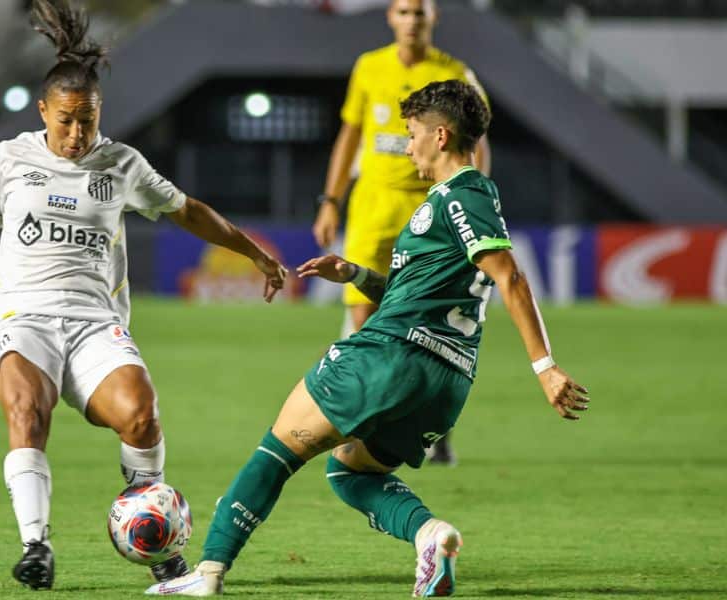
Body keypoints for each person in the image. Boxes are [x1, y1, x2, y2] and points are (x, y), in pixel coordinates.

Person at [0, 0, 287, 591]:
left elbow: (189, 212)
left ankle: (152, 533)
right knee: (28, 414)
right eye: (66, 121)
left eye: (89, 120)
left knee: (141, 415)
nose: (78, 134)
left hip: (93, 323)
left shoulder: (122, 165)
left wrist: (252, 251)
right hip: (24, 320)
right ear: (43, 112)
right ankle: (36, 545)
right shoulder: (9, 159)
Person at [147, 80, 589, 598]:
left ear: (441, 136)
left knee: (276, 452)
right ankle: (430, 535)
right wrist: (356, 274)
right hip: (444, 382)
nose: (407, 146)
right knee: (350, 473)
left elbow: (509, 276)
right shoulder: (453, 201)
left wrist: (545, 367)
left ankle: (208, 573)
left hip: (390, 355)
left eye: (412, 134)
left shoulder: (465, 194)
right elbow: (417, 291)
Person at [313, 0, 491, 465]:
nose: (412, 20)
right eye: (404, 11)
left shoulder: (454, 72)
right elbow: (349, 137)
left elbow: (477, 144)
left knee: (427, 324)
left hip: (428, 213)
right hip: (372, 209)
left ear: (434, 19)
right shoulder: (369, 67)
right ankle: (375, 425)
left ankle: (430, 424)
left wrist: (471, 197)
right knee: (364, 320)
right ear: (390, 17)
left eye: (420, 12)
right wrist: (330, 200)